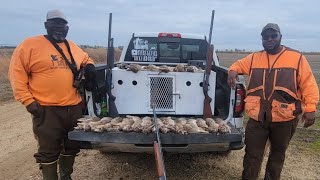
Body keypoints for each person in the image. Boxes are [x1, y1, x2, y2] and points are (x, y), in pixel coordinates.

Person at [8, 10, 96, 179]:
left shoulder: (72, 46)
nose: (59, 27)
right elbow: (16, 74)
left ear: (67, 27)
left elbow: (86, 58)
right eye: (55, 23)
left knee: (71, 145)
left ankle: (66, 176)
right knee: (48, 150)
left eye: (62, 24)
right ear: (46, 25)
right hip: (46, 109)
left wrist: (90, 66)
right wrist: (28, 101)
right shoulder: (29, 45)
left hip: (73, 108)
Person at [227, 23, 319, 180]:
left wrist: (310, 108)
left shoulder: (296, 58)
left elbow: (308, 84)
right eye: (265, 37)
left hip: (285, 118)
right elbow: (239, 64)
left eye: (273, 36)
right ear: (262, 39)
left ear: (280, 37)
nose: (269, 39)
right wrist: (232, 71)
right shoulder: (255, 57)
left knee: (277, 155)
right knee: (252, 155)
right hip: (257, 119)